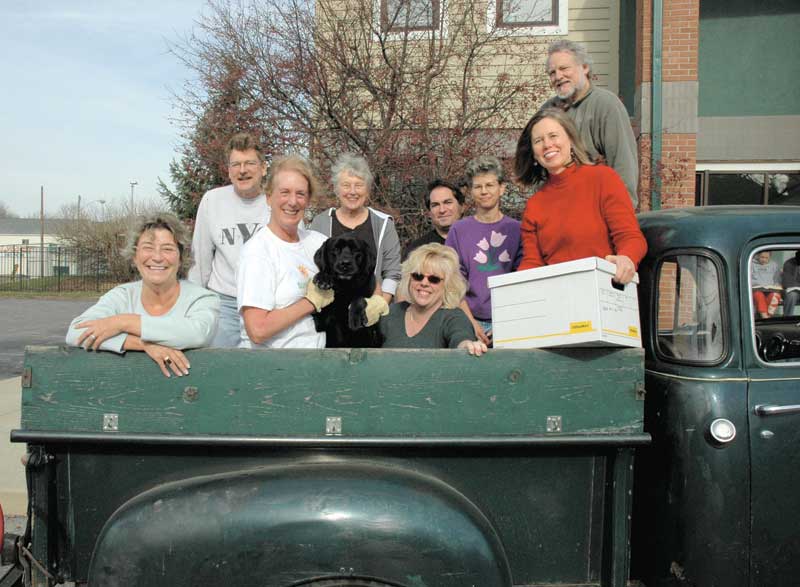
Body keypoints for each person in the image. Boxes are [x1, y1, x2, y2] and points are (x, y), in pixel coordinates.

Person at [66, 213, 220, 378]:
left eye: (167, 249)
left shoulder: (203, 299)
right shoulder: (122, 296)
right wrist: (143, 344)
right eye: (148, 248)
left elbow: (196, 334)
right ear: (135, 256)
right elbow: (76, 333)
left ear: (181, 258)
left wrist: (124, 322)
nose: (157, 257)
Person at [514, 108, 647, 284]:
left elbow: (630, 237)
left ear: (570, 139)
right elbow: (532, 263)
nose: (547, 144)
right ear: (534, 154)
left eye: (553, 136)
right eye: (538, 140)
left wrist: (627, 257)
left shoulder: (602, 179)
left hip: (603, 291)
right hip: (558, 297)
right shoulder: (534, 205)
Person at [237, 155, 337, 348]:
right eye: (285, 192)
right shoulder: (258, 251)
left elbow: (361, 274)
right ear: (268, 197)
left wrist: (375, 300)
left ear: (308, 200)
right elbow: (258, 330)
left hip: (318, 365)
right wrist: (311, 301)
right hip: (275, 368)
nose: (293, 201)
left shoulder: (317, 242)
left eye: (300, 194)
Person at [188, 132, 269, 348]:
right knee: (219, 371)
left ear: (263, 168)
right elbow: (201, 259)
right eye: (236, 164)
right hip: (223, 303)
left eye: (250, 163)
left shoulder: (278, 202)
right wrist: (195, 304)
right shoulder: (212, 201)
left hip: (266, 305)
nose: (242, 170)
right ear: (229, 170)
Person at [540, 39, 639, 206]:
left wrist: (620, 216)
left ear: (584, 67)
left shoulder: (606, 105)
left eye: (564, 68)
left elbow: (623, 166)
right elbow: (538, 170)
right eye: (552, 72)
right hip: (556, 210)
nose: (558, 76)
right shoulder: (547, 111)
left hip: (596, 210)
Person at [445, 156, 522, 345]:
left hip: (510, 319)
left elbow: (521, 281)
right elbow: (453, 281)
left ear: (502, 188)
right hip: (466, 319)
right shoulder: (459, 230)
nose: (484, 191)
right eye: (478, 187)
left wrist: (506, 322)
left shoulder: (517, 230)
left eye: (490, 185)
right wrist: (470, 322)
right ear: (471, 191)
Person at [309, 153, 402, 304]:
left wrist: (379, 306)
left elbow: (392, 273)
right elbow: (312, 267)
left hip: (370, 308)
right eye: (346, 185)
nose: (352, 192)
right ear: (336, 189)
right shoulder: (321, 223)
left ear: (368, 190)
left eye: (358, 185)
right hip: (330, 309)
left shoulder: (384, 224)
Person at [380, 243, 487, 355]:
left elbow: (460, 337)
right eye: (418, 276)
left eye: (434, 279)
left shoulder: (453, 317)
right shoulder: (391, 313)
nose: (424, 283)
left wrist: (467, 345)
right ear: (409, 278)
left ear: (447, 284)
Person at [402, 179, 465, 260]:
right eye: (435, 205)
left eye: (448, 202)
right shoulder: (417, 252)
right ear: (429, 212)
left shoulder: (480, 242)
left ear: (462, 207)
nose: (442, 210)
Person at [751, 251, 782, 319]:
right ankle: (764, 316)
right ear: (758, 256)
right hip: (756, 290)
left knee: (775, 295)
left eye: (766, 258)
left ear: (770, 257)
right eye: (762, 257)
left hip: (770, 290)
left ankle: (769, 315)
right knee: (759, 295)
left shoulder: (774, 265)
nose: (764, 259)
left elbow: (777, 280)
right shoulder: (751, 264)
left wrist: (777, 286)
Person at [782, 251, 800, 316]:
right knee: (792, 295)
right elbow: (788, 282)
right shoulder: (789, 263)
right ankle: (787, 318)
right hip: (794, 291)